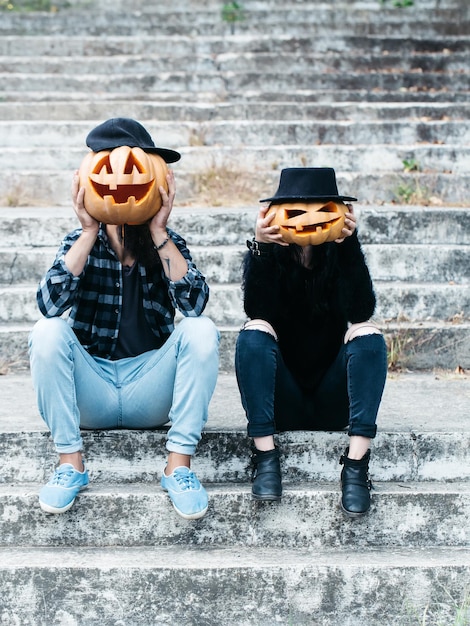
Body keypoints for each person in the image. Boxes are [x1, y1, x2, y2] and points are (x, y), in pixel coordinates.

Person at [29, 118, 219, 520]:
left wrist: (160, 231)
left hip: (148, 388)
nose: (123, 181)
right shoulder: (80, 242)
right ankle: (70, 464)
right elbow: (48, 304)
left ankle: (178, 468)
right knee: (48, 332)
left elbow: (196, 305)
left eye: (138, 170)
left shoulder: (165, 242)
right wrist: (86, 231)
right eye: (109, 173)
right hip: (92, 389)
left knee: (201, 330)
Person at [235, 167, 387, 517]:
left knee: (368, 333)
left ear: (337, 212)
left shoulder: (338, 254)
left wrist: (349, 245)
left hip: (332, 400)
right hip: (282, 402)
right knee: (253, 329)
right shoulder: (268, 255)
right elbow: (257, 310)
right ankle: (266, 457)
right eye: (296, 211)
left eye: (320, 210)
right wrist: (261, 248)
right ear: (277, 214)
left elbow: (361, 309)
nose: (308, 220)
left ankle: (355, 466)